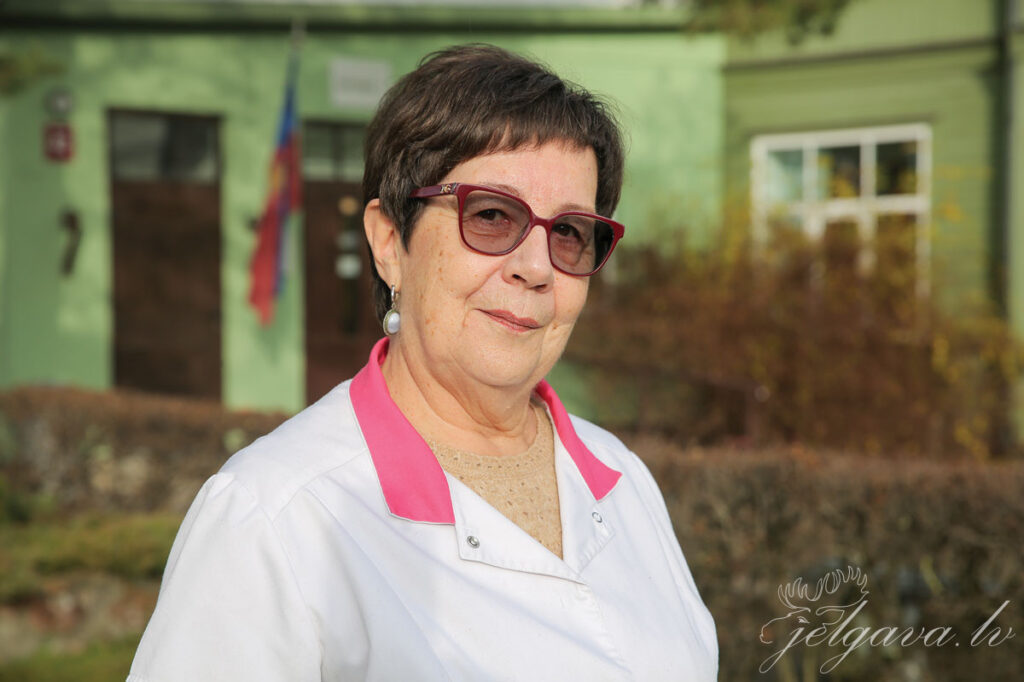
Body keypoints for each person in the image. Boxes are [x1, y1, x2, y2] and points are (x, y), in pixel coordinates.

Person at [128, 44, 717, 681]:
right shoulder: (274, 518)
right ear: (389, 241)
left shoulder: (624, 479)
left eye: (569, 232)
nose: (536, 268)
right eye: (490, 215)